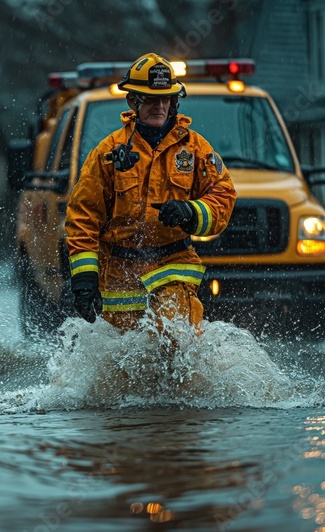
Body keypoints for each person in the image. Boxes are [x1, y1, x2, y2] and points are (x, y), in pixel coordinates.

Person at [65, 52, 236, 337]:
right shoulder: (108, 153)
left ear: (174, 101)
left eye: (165, 99)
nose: (159, 105)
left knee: (172, 335)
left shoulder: (195, 149)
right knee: (124, 357)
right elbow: (83, 216)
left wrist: (191, 212)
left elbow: (223, 197)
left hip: (173, 264)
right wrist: (84, 278)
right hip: (119, 272)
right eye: (150, 99)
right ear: (133, 101)